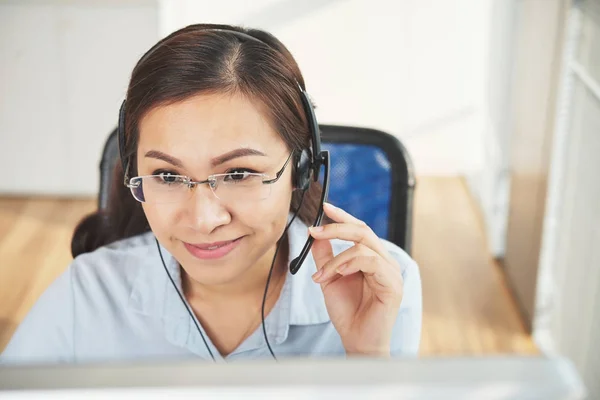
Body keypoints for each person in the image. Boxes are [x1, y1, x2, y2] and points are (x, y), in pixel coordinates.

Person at [0, 23, 422, 364]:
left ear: (301, 168)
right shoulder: (86, 296)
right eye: (167, 176)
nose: (203, 220)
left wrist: (367, 362)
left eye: (238, 173)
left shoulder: (383, 286)